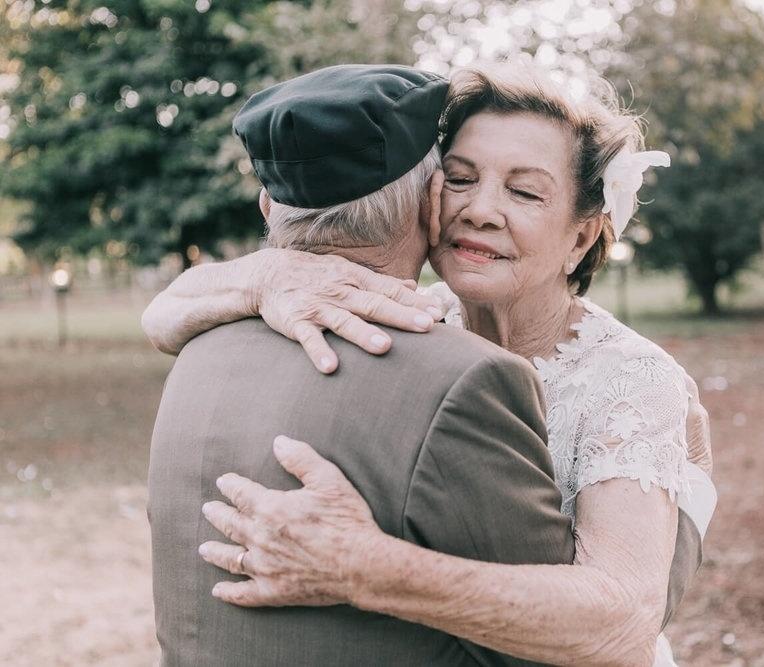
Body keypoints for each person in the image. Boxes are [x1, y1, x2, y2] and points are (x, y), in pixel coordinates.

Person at [146, 64, 710, 666]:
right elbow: (162, 316)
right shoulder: (402, 311)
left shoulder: (629, 377)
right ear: (430, 195)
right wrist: (267, 273)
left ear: (581, 238)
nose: (481, 211)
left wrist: (362, 566)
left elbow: (623, 625)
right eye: (461, 179)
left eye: (524, 192)